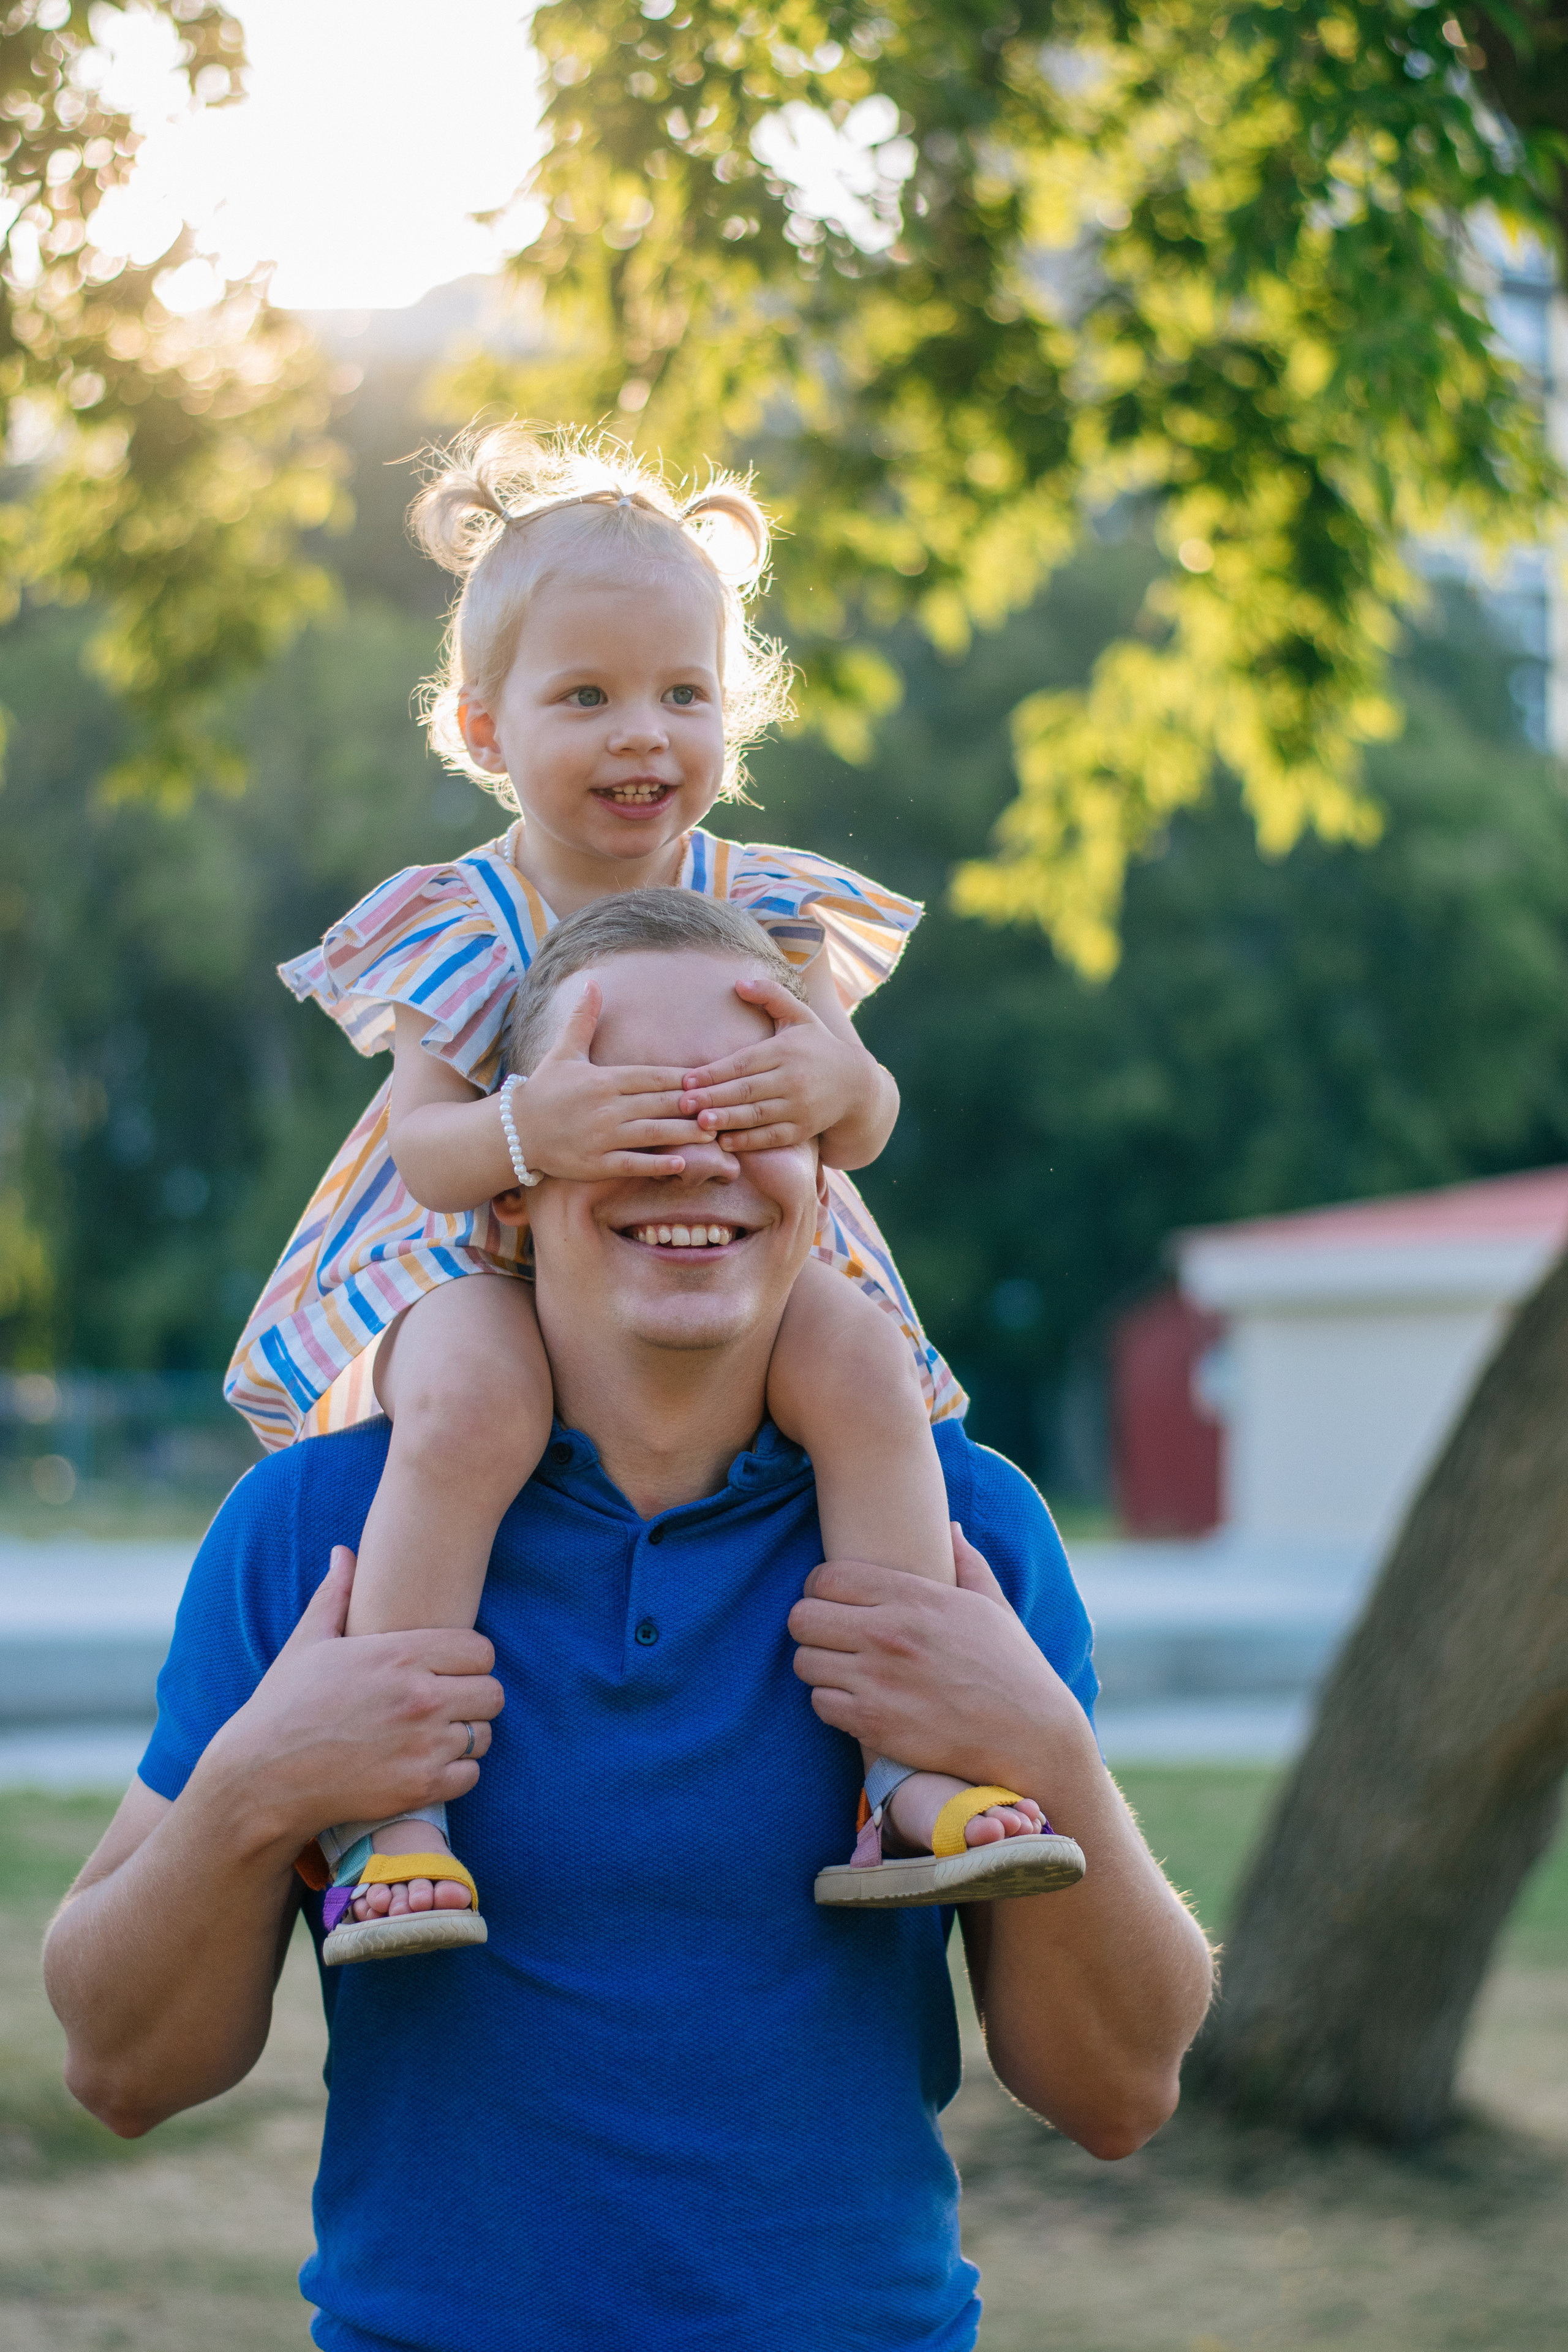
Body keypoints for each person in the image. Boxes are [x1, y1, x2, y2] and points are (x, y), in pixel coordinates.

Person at [45, 905, 1215, 2352]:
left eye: (753, 1101)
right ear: (509, 1193)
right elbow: (122, 2070)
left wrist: (1052, 1756)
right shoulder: (311, 1535)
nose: (695, 1150)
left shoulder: (963, 1533)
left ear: (821, 1173)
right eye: (625, 1106)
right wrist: (254, 1787)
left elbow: (1116, 2095)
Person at [222, 423, 1065, 1952]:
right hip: (480, 1253)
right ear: (484, 729)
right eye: (587, 697)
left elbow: (862, 1119)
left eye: (684, 694)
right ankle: (389, 1817)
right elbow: (426, 1149)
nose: (642, 736)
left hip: (734, 1249)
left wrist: (832, 1085)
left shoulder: (770, 905)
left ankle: (905, 1778)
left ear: (729, 720)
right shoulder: (462, 920)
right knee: (473, 1401)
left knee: (865, 1373)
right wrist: (535, 1125)